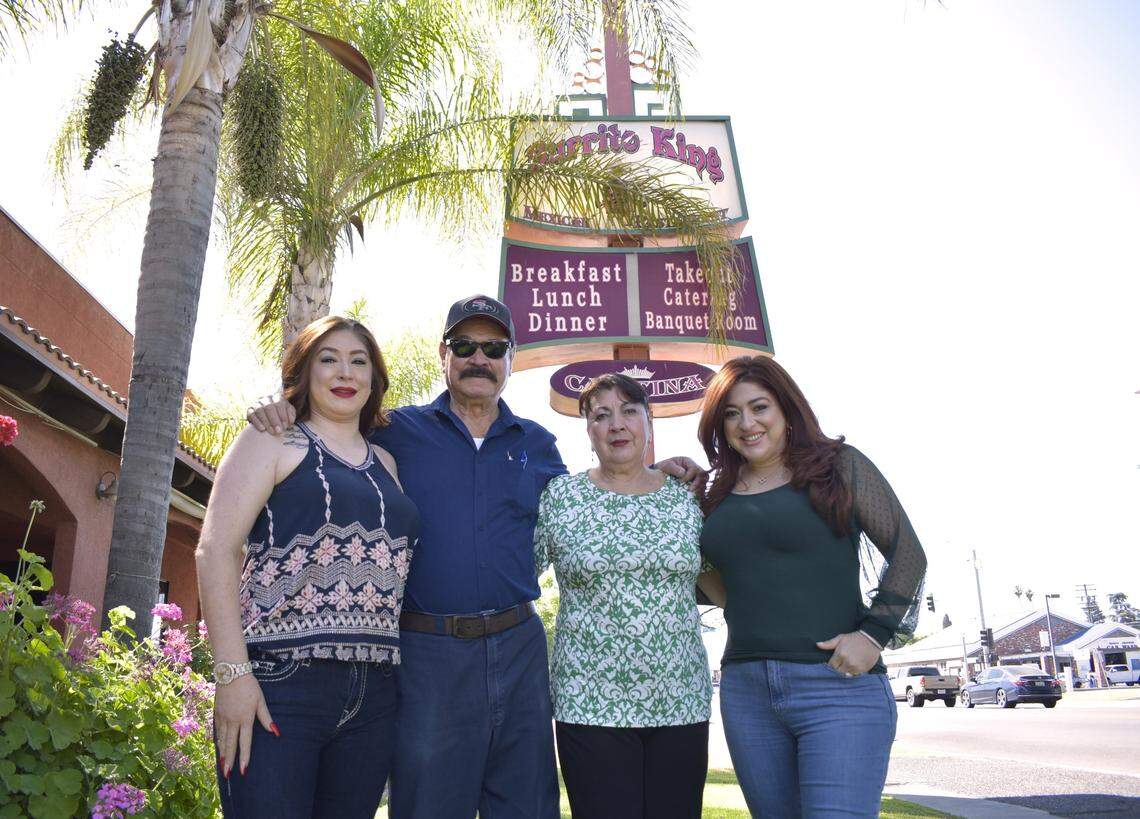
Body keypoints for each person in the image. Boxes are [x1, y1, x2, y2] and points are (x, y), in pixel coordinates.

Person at [247, 295, 705, 818]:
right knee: (429, 805)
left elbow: (597, 499)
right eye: (465, 346)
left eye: (493, 347)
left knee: (528, 804)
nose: (478, 358)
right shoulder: (395, 430)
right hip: (428, 652)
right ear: (444, 354)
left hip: (519, 648)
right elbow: (330, 423)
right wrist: (279, 405)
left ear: (510, 359)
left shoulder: (538, 445)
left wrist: (658, 473)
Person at [196, 316, 420, 818]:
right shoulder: (272, 439)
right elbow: (215, 549)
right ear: (304, 372)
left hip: (375, 690)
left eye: (359, 361)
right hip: (282, 683)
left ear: (374, 379)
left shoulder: (388, 462)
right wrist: (232, 675)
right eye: (329, 358)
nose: (345, 372)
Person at [696, 355, 927, 818]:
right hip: (747, 692)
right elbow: (715, 582)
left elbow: (908, 554)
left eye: (759, 407)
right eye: (732, 413)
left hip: (837, 686)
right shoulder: (716, 492)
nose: (747, 423)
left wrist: (873, 635)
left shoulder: (839, 466)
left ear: (786, 409)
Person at [535, 374, 712, 819]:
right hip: (590, 702)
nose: (617, 424)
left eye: (629, 411)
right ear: (589, 432)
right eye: (601, 415)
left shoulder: (685, 499)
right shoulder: (561, 497)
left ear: (648, 423)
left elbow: (720, 581)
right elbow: (516, 575)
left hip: (680, 698)